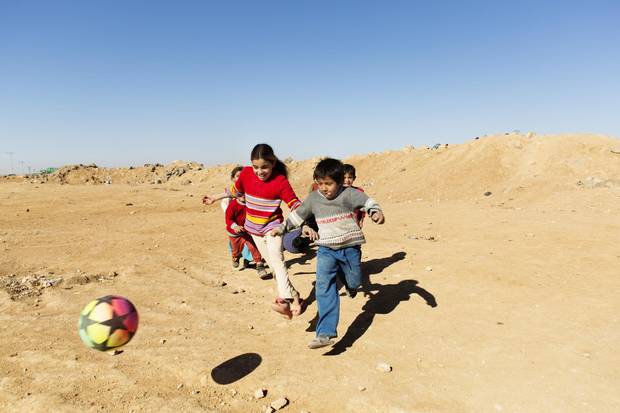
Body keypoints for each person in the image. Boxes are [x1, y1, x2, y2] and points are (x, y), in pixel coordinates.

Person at [271, 158, 385, 349]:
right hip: (326, 250)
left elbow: (368, 202)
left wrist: (375, 212)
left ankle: (351, 285)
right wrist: (282, 228)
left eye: (329, 183)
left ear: (339, 182)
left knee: (354, 281)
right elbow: (298, 215)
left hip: (350, 247)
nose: (324, 188)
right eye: (320, 183)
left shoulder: (349, 194)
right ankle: (325, 333)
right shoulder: (314, 198)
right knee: (323, 287)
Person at [203, 143, 304, 319]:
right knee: (273, 267)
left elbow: (294, 203)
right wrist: (214, 197)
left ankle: (283, 300)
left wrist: (306, 216)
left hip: (273, 228)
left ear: (273, 163)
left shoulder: (280, 181)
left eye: (264, 167)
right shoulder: (247, 174)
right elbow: (234, 191)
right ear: (251, 164)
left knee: (278, 261)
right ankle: (295, 297)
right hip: (254, 230)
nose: (260, 171)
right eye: (256, 167)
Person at [203, 166, 254, 265]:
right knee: (236, 243)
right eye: (238, 176)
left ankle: (248, 260)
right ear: (233, 178)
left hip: (247, 222)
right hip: (235, 223)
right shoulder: (233, 192)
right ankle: (236, 256)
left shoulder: (249, 188)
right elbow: (227, 198)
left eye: (242, 176)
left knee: (250, 241)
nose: (240, 178)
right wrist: (214, 198)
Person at [225, 195, 269, 279]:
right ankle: (236, 256)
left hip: (248, 231)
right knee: (237, 250)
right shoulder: (233, 204)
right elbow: (228, 219)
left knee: (253, 247)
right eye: (239, 193)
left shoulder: (251, 203)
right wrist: (235, 226)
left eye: (244, 193)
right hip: (235, 232)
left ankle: (260, 266)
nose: (242, 196)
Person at [342, 163, 366, 228]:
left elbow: (363, 208)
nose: (347, 180)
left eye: (349, 177)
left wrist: (361, 220)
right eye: (344, 178)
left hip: (355, 226)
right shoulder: (336, 192)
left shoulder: (359, 192)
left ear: (354, 178)